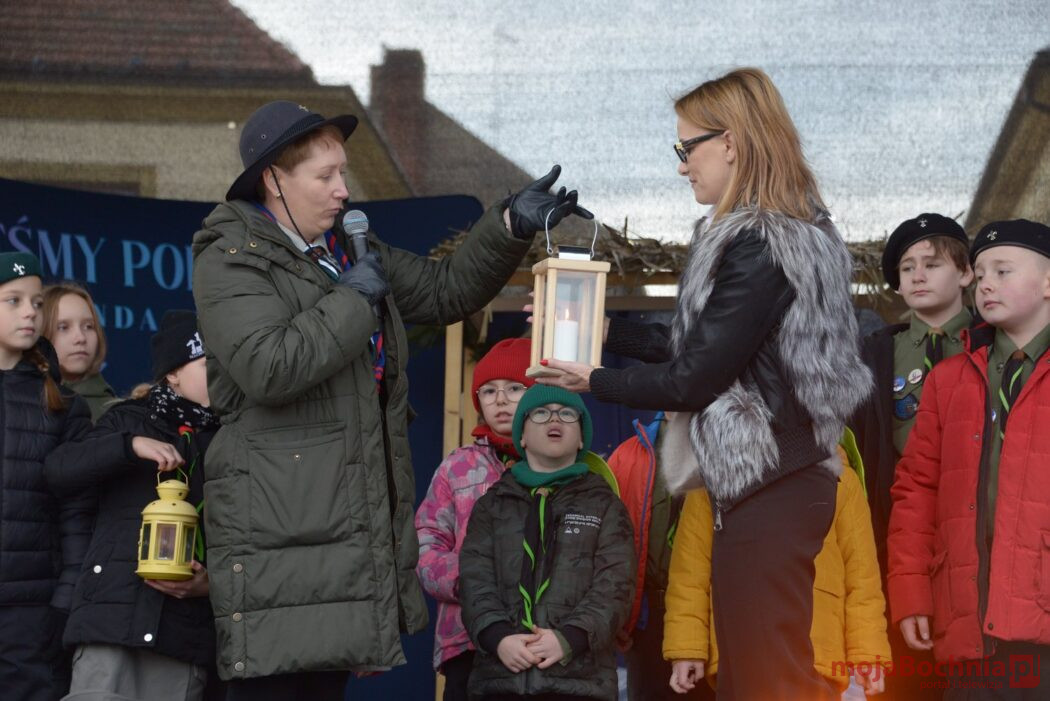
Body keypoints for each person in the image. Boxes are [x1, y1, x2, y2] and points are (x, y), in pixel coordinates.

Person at [190, 100, 591, 698]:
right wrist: (353, 300)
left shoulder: (347, 251)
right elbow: (268, 366)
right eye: (325, 176)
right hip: (279, 525)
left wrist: (509, 224)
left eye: (342, 172)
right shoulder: (229, 257)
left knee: (322, 685)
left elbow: (444, 290)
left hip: (339, 521)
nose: (343, 190)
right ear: (273, 179)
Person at [539, 68, 871, 700]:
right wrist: (607, 331)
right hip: (774, 480)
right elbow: (715, 348)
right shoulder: (783, 238)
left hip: (772, 483)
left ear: (732, 143)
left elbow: (694, 378)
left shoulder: (763, 244)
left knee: (765, 679)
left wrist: (597, 380)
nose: (682, 165)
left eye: (686, 146)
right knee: (759, 672)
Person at [888, 219, 1050, 699]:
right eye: (980, 275)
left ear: (1048, 283)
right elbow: (916, 490)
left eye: (1002, 271)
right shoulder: (949, 378)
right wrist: (911, 592)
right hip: (968, 623)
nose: (986, 285)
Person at [45, 310, 222, 701]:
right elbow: (60, 470)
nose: (222, 373)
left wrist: (211, 585)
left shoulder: (231, 440)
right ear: (173, 373)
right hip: (110, 622)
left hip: (183, 635)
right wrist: (128, 446)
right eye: (209, 362)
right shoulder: (127, 420)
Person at [851, 213, 972, 699]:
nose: (918, 276)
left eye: (932, 264)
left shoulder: (996, 343)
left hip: (972, 528)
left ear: (966, 273)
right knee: (904, 677)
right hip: (896, 535)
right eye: (907, 268)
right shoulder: (875, 354)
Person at [664, 446, 891, 697]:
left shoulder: (841, 478)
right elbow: (690, 570)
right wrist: (686, 646)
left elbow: (862, 577)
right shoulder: (714, 477)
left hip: (814, 654)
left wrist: (868, 652)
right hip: (742, 652)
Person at [458, 385, 635, 701]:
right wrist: (498, 637)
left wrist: (569, 638)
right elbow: (474, 580)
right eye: (540, 412)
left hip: (580, 683)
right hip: (500, 678)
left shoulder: (606, 505)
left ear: (581, 438)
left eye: (567, 414)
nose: (554, 419)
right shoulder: (491, 505)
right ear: (522, 436)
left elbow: (615, 586)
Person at [415, 338, 535, 701]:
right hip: (467, 639)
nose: (501, 400)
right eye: (489, 390)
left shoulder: (559, 465)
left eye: (515, 388)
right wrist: (473, 582)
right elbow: (426, 544)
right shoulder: (457, 466)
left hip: (539, 639)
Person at [0, 252, 92, 700]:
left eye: (37, 303)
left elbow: (77, 512)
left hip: (31, 612)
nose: (29, 313)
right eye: (13, 301)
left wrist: (65, 598)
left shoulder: (63, 404)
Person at [605, 412, 712, 701]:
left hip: (715, 614)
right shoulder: (627, 455)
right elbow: (608, 544)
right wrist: (619, 613)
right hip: (648, 615)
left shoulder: (730, 443)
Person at [41, 282, 116, 421]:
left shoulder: (120, 415)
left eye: (88, 326)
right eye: (63, 327)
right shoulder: (16, 404)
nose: (81, 338)